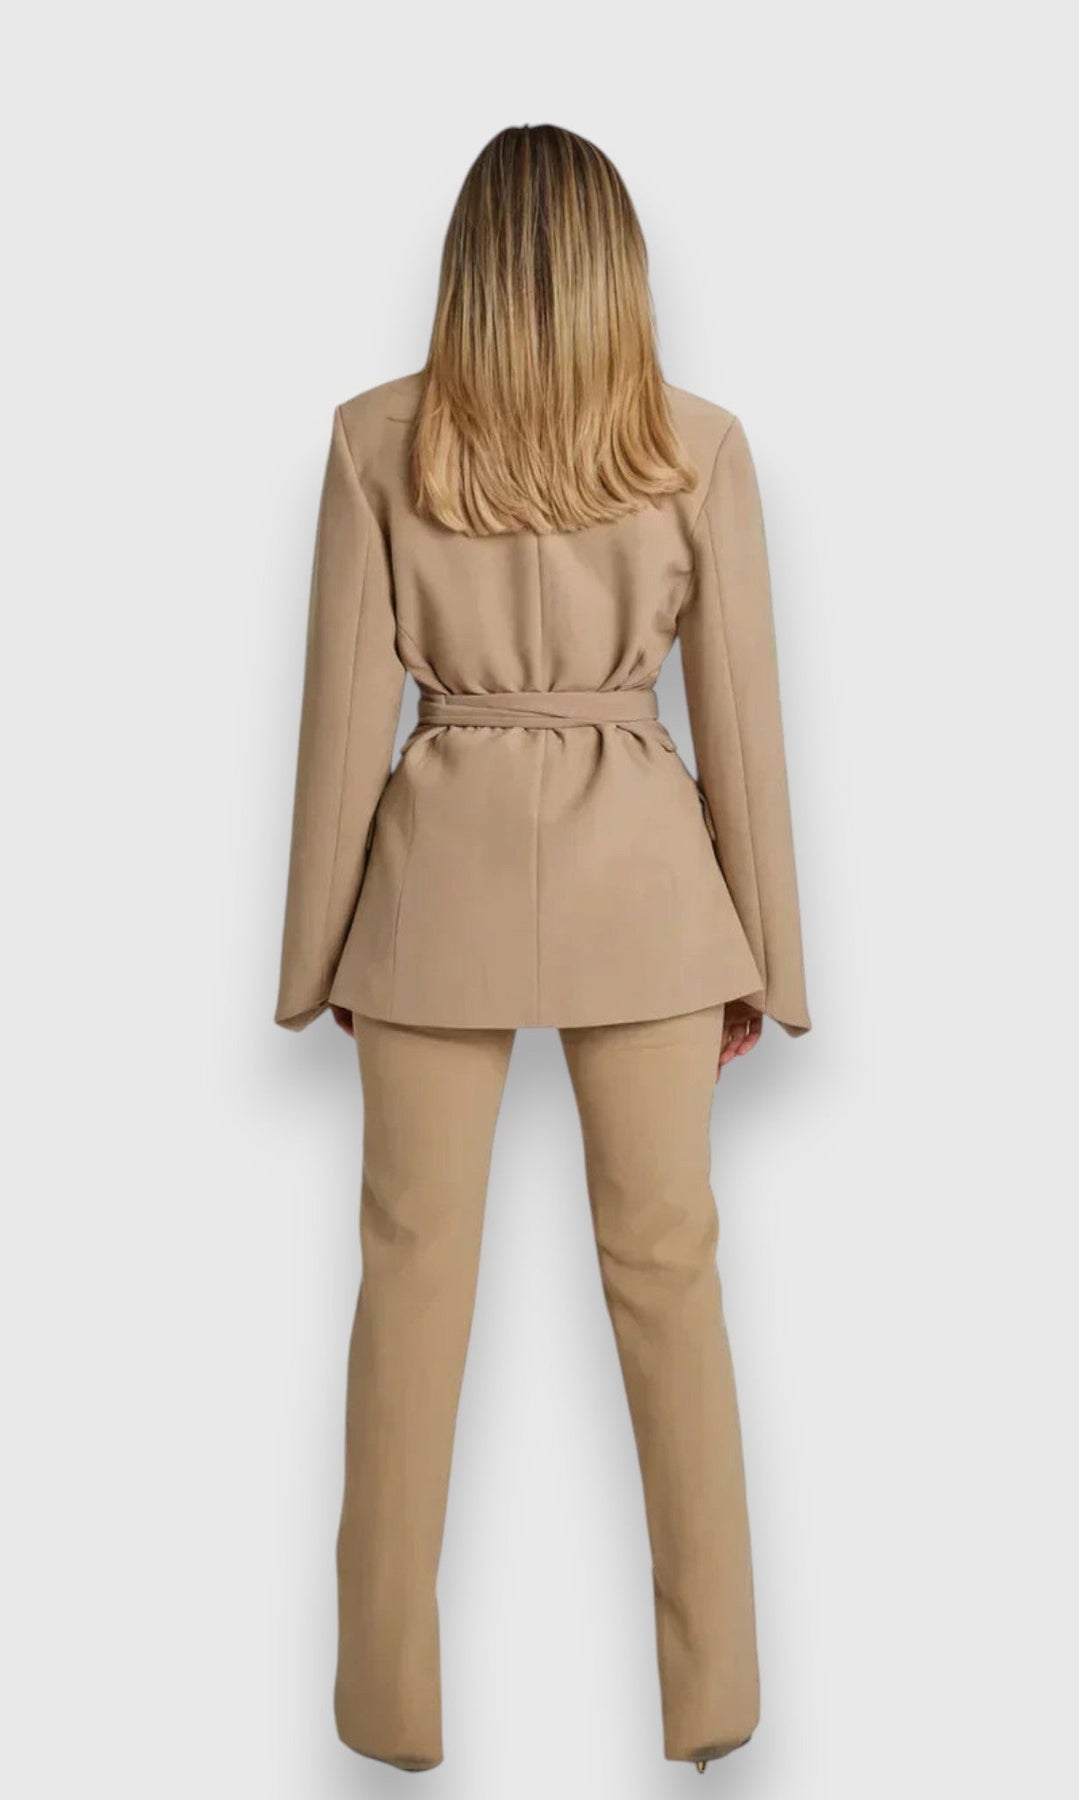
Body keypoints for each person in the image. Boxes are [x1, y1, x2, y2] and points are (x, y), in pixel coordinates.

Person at [273, 122, 811, 1774]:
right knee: (670, 1284)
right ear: (617, 267)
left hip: (433, 895)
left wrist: (323, 957)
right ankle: (715, 1710)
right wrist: (765, 962)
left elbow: (344, 719)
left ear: (467, 265)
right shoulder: (694, 446)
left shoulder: (375, 441)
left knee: (409, 1284)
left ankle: (385, 1714)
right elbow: (739, 718)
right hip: (644, 895)